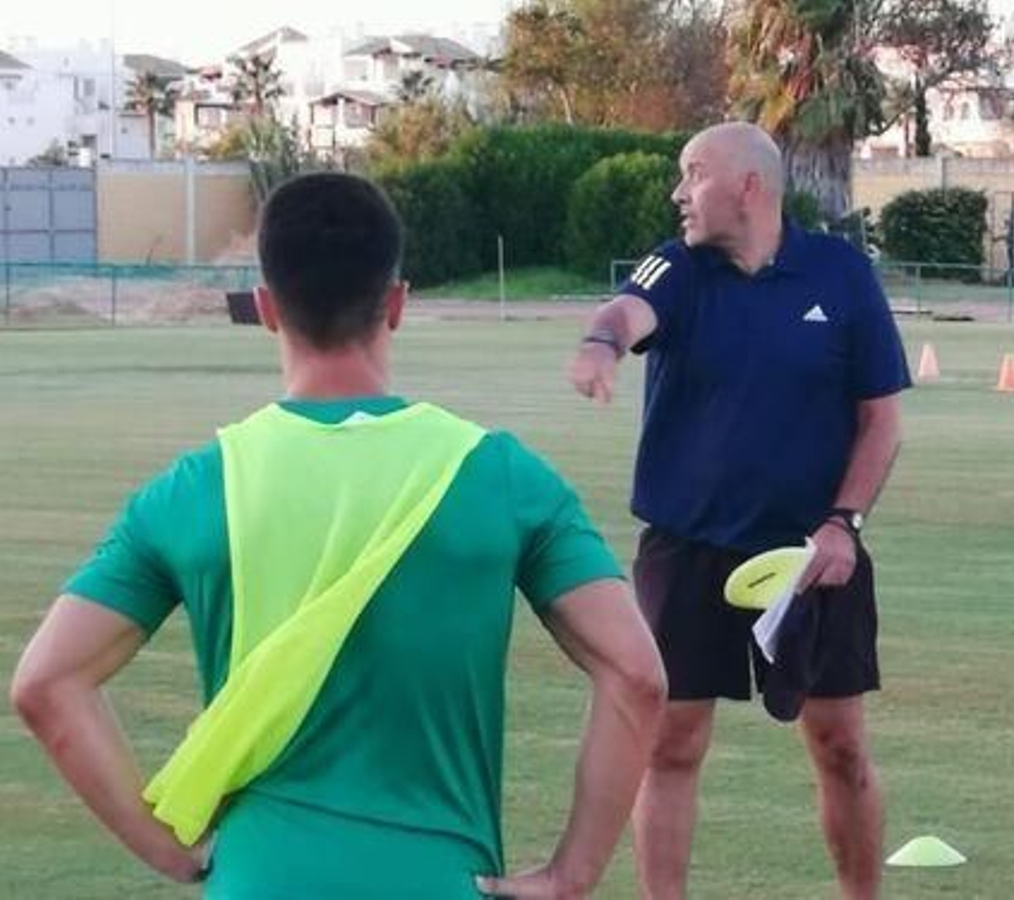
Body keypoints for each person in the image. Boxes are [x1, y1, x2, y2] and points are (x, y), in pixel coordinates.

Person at [10, 172, 666, 898]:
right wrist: (572, 875)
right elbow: (636, 674)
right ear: (396, 303)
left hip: (259, 879)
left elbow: (46, 684)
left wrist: (170, 851)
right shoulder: (502, 477)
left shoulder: (194, 488)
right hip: (439, 880)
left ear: (263, 308)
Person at [567, 121, 909, 899]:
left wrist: (843, 524)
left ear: (749, 185)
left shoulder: (840, 275)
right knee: (672, 745)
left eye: (693, 174)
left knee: (840, 746)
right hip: (688, 548)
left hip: (810, 553)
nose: (678, 192)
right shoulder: (678, 267)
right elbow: (627, 311)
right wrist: (599, 347)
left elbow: (881, 420)